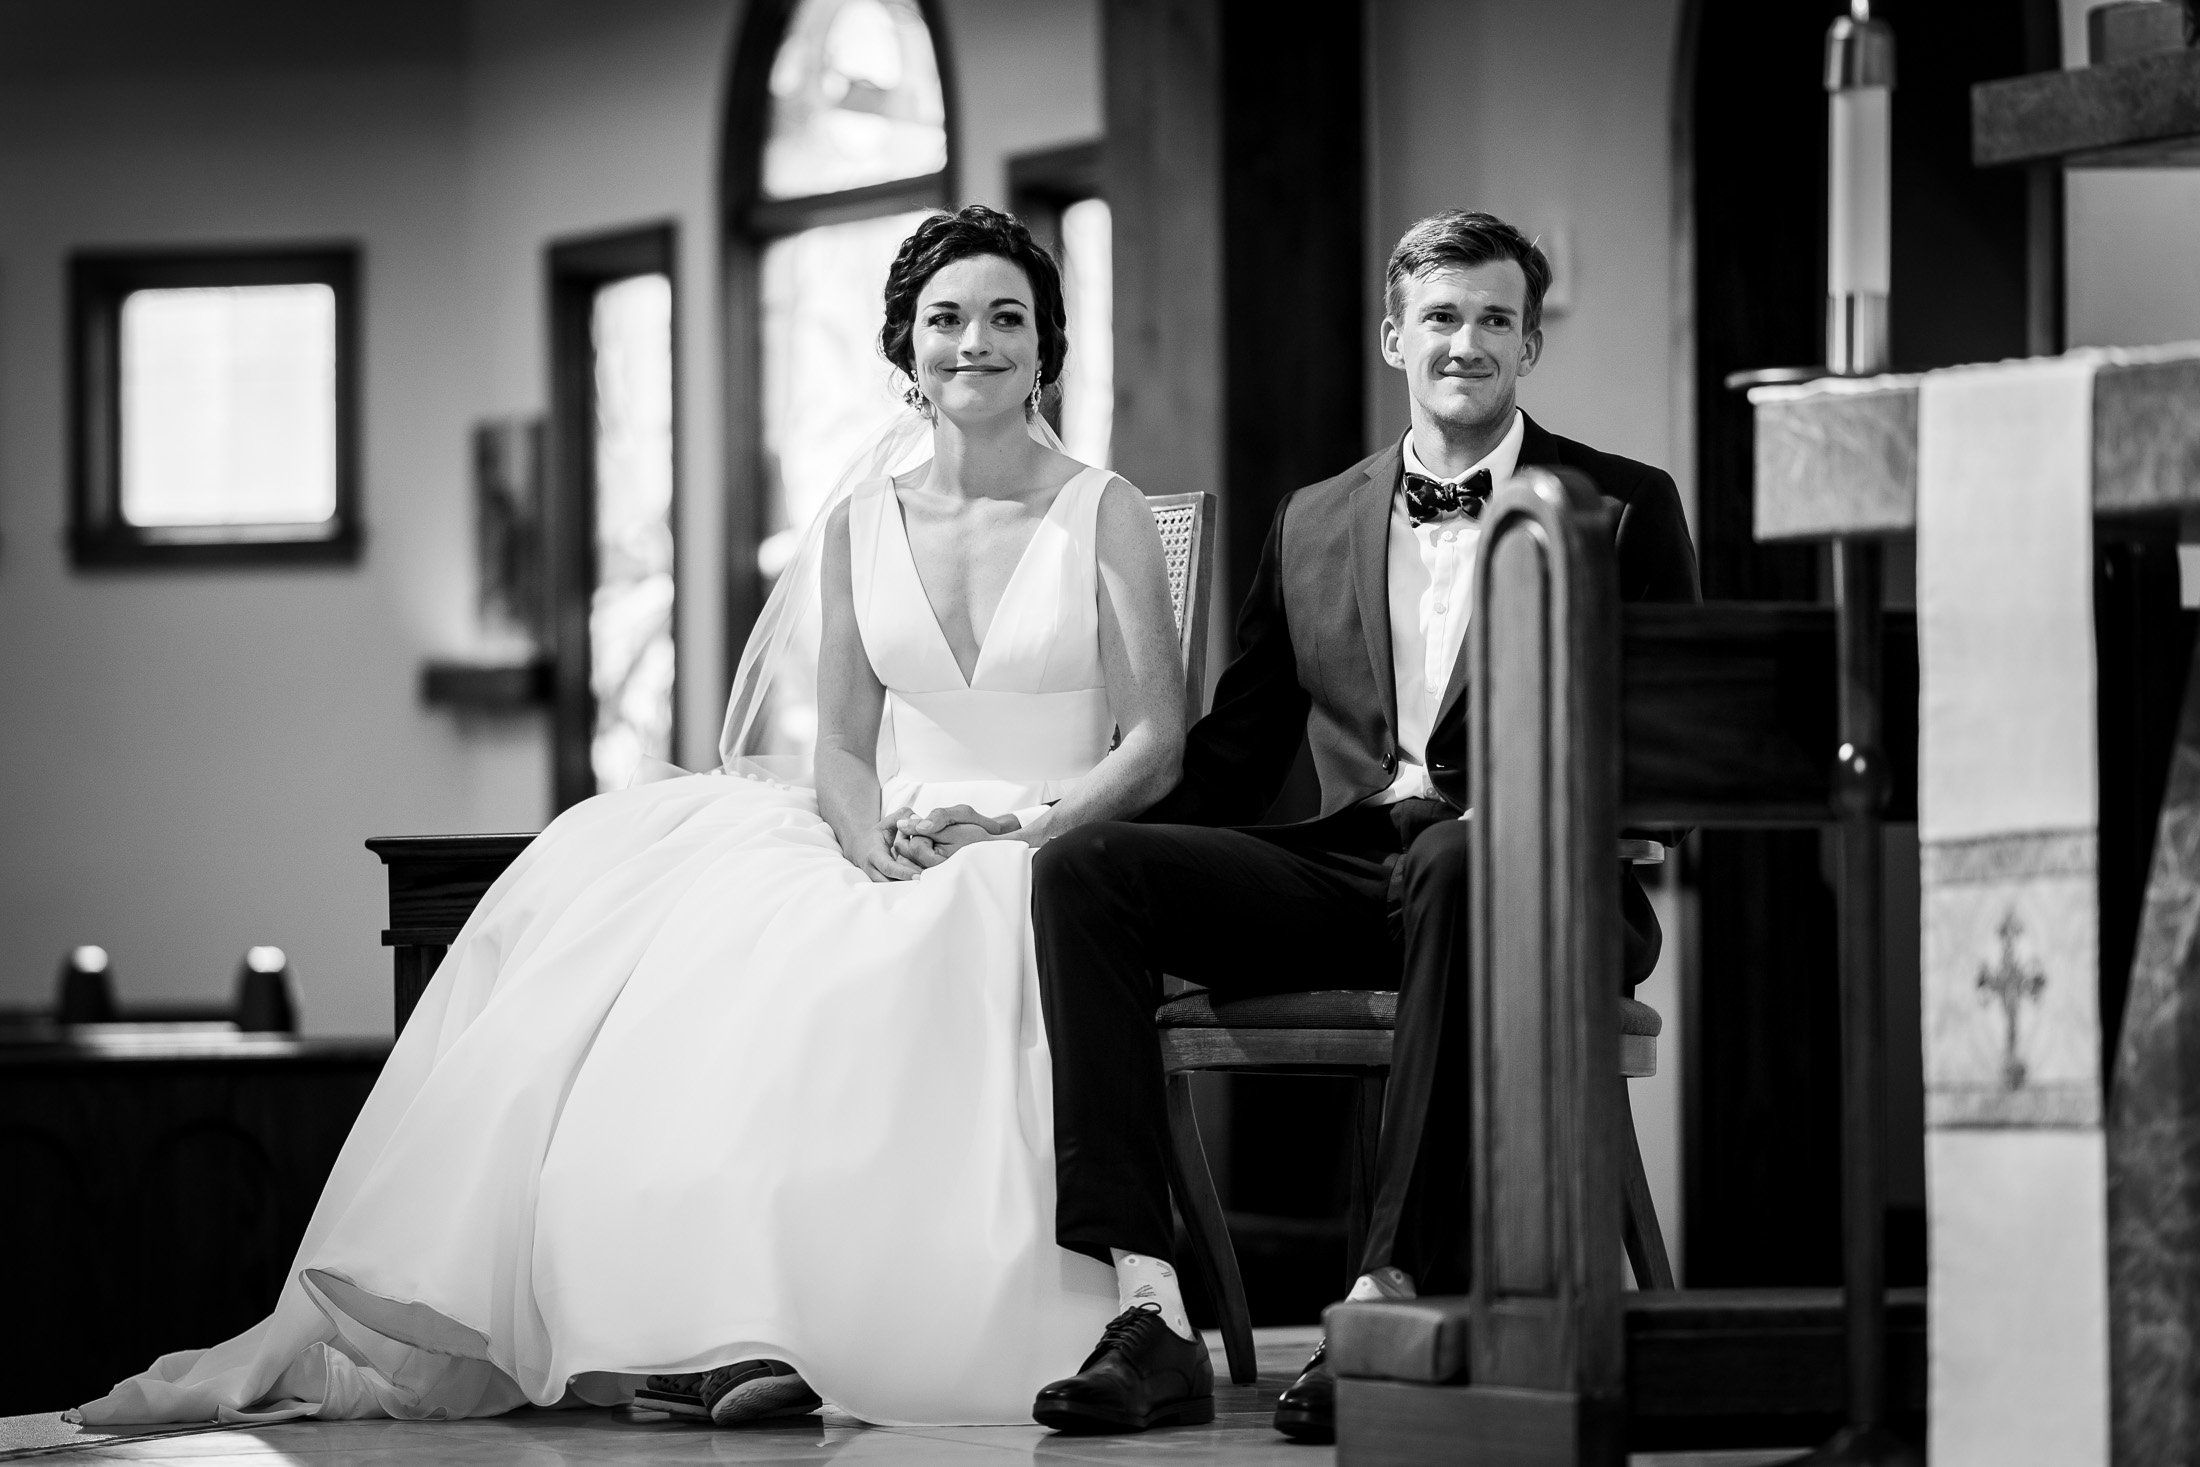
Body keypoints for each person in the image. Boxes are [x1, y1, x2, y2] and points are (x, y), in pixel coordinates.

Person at [69, 205, 1202, 1432]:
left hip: (1047, 837)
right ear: (903, 346)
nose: (974, 342)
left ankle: (857, 1327)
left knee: (927, 950)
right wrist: (867, 838)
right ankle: (725, 1330)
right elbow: (835, 741)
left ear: (1047, 345)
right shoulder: (861, 523)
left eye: (1004, 319)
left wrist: (1019, 834)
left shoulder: (1108, 512)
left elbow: (1154, 744)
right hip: (892, 830)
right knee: (700, 940)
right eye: (945, 319)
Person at [1028, 209, 1701, 1441]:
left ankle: (1385, 1297)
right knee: (1092, 873)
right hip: (1352, 875)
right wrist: (1040, 820)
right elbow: (1230, 763)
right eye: (1441, 318)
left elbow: (1675, 753)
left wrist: (1543, 809)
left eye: (1497, 319)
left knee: (1454, 857)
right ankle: (1147, 1311)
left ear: (1530, 345)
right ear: (1395, 335)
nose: (1467, 342)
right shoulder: (1313, 521)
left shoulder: (1622, 509)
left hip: (1544, 882)